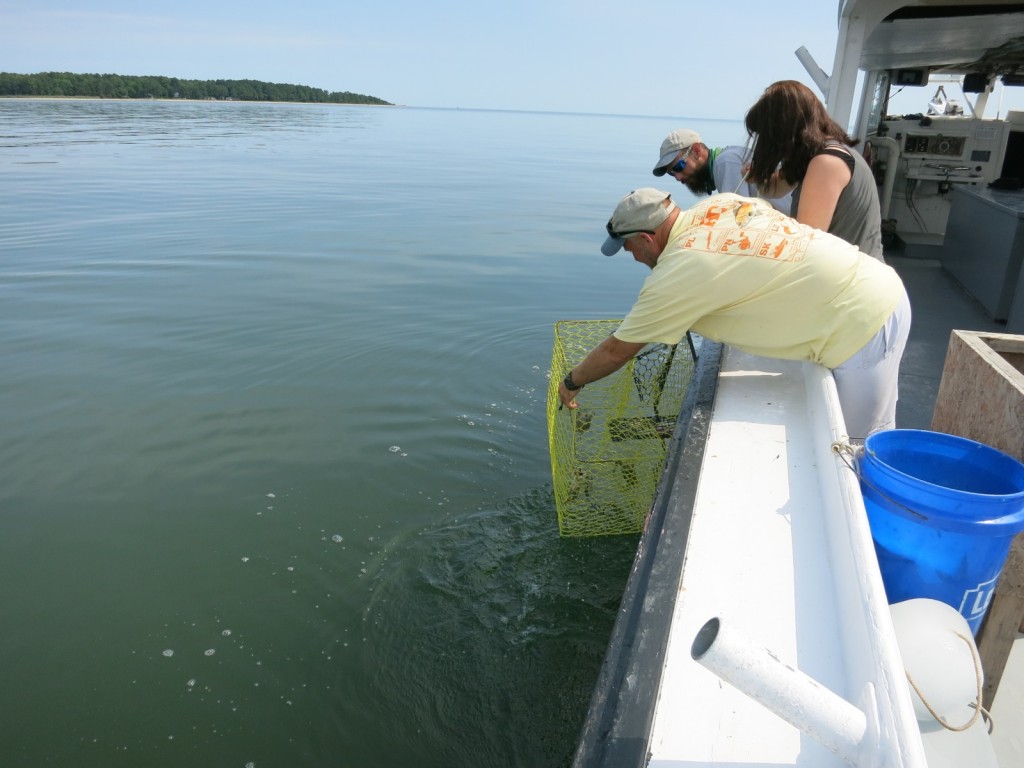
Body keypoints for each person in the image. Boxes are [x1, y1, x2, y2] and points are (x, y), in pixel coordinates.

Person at [559, 188, 911, 441]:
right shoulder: (720, 203)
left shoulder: (678, 271)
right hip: (877, 282)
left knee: (859, 447)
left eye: (629, 249)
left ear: (648, 239)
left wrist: (572, 381)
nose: (634, 258)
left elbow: (617, 350)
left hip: (862, 326)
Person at [743, 80, 885, 261]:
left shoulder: (826, 163)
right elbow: (775, 189)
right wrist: (759, 177)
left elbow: (806, 246)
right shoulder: (818, 154)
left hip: (853, 282)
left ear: (782, 131)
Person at [652, 128, 791, 214]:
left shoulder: (725, 163)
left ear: (696, 151)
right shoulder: (726, 158)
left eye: (678, 167)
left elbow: (740, 219)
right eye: (671, 173)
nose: (677, 177)